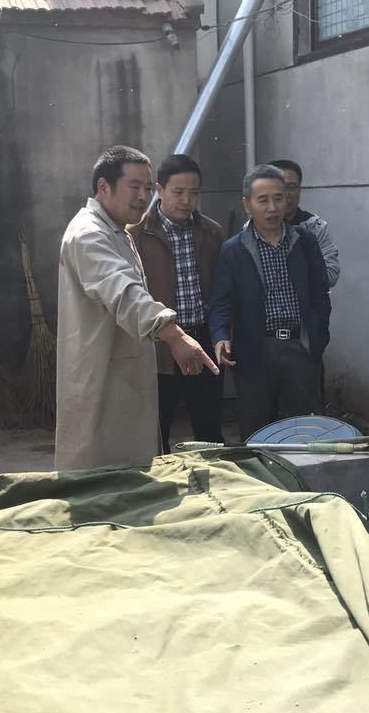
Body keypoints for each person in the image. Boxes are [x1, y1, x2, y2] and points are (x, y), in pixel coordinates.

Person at [55, 145, 218, 470]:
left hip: (123, 372)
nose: (144, 196)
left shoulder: (116, 230)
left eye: (146, 187)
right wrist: (173, 334)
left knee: (127, 467)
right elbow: (123, 291)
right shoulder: (89, 234)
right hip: (103, 375)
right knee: (101, 475)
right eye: (134, 187)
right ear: (104, 186)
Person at [211, 164, 331, 441]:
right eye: (263, 200)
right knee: (257, 433)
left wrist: (317, 338)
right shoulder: (233, 250)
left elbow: (320, 294)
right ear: (247, 204)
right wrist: (220, 336)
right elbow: (221, 303)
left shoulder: (305, 242)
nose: (272, 208)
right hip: (255, 351)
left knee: (309, 431)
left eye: (278, 198)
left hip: (299, 346)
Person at [128, 154, 226, 451]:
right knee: (156, 429)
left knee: (209, 427)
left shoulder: (212, 232)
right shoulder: (136, 234)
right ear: (159, 190)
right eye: (178, 192)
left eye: (194, 193)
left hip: (201, 340)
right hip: (159, 344)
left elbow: (220, 290)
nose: (187, 201)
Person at [267, 159, 340, 289]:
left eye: (291, 187)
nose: (286, 194)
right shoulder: (253, 229)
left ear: (300, 190)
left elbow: (331, 275)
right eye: (280, 188)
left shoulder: (315, 226)